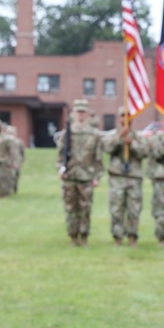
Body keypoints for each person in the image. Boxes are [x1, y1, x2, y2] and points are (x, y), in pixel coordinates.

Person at [57, 99, 103, 246]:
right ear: (74, 113)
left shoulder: (94, 134)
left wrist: (97, 177)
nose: (81, 115)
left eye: (83, 112)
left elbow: (98, 159)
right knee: (70, 208)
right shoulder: (67, 133)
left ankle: (84, 236)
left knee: (85, 208)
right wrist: (60, 168)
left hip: (86, 176)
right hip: (70, 175)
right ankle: (73, 236)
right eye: (78, 112)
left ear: (88, 114)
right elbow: (60, 155)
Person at [102, 108, 150, 245]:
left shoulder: (138, 137)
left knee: (134, 209)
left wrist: (132, 143)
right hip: (117, 177)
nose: (126, 119)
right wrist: (119, 138)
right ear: (119, 119)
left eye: (129, 116)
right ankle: (117, 237)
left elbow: (144, 153)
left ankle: (132, 237)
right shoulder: (113, 135)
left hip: (134, 177)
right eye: (123, 116)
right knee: (116, 208)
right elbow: (107, 149)